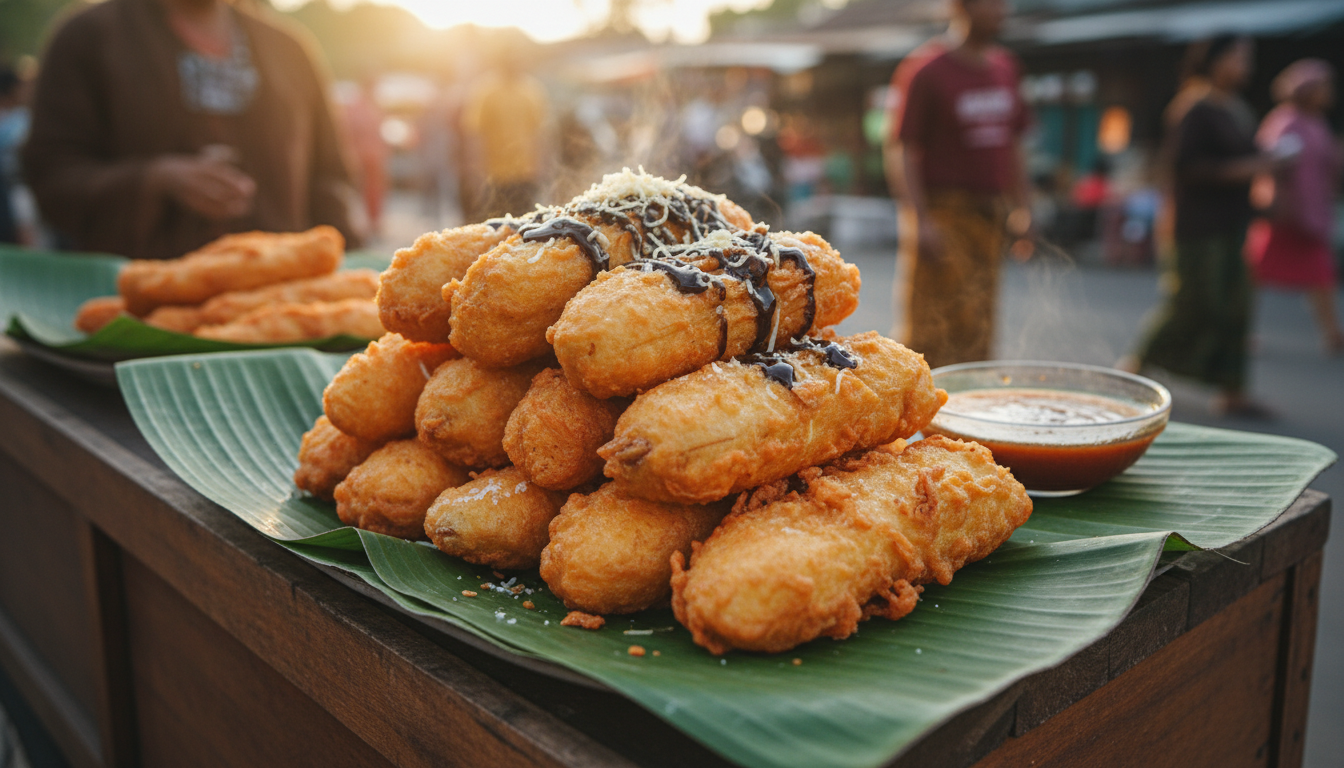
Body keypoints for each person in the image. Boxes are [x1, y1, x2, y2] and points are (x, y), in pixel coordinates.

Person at [21, 0, 359, 260]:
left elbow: (329, 178)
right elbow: (51, 175)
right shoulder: (90, 38)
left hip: (278, 307)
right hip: (137, 316)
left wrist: (343, 263)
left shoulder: (289, 49)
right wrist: (156, 179)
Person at [1121, 36, 1280, 417]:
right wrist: (1251, 168)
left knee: (1237, 303)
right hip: (1197, 224)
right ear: (1215, 61)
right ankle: (1134, 369)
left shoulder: (1236, 108)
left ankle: (1233, 390)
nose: (1246, 67)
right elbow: (1184, 168)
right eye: (1238, 58)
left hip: (1234, 222)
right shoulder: (1194, 106)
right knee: (1194, 302)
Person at [883, 0, 1033, 370]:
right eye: (991, 3)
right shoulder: (927, 70)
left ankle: (967, 416)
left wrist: (1024, 205)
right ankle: (920, 415)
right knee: (931, 325)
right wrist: (920, 219)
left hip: (989, 215)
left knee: (978, 320)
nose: (1001, 10)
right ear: (962, 6)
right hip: (944, 213)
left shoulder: (1005, 69)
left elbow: (1013, 144)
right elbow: (902, 149)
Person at [1245, 59, 1343, 354]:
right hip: (1285, 213)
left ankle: (1332, 333)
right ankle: (1238, 329)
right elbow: (1271, 161)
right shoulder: (1285, 121)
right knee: (1255, 272)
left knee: (1321, 273)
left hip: (1312, 212)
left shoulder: (1317, 123)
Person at [459, 50, 549, 221]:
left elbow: (539, 133)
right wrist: (475, 173)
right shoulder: (485, 90)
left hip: (525, 174)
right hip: (493, 176)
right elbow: (474, 135)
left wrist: (541, 168)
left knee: (524, 225)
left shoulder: (531, 90)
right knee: (494, 225)